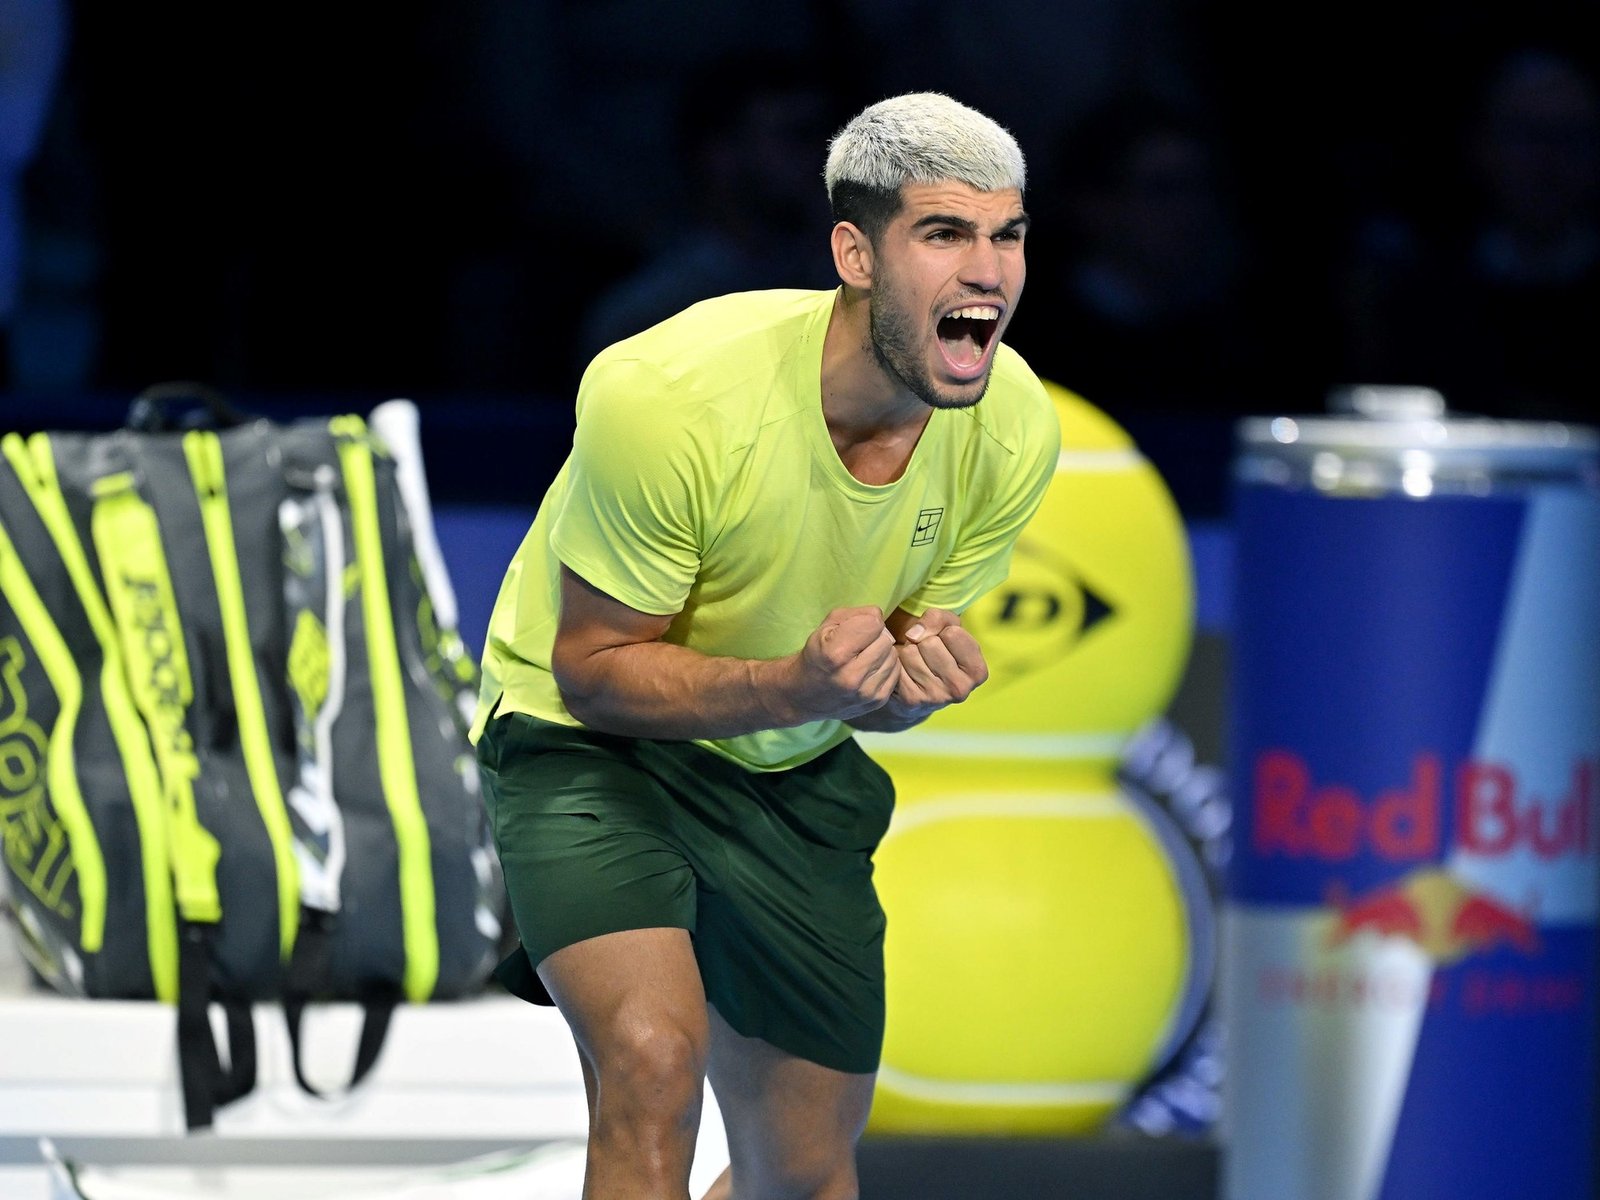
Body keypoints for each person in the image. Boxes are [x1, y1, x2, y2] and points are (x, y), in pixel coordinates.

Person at [471, 92, 1059, 1199]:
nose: (988, 270)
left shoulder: (1014, 425)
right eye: (943, 234)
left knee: (800, 1174)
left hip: (785, 775)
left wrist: (903, 693)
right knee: (651, 1063)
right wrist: (798, 684)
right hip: (585, 751)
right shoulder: (671, 395)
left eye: (1008, 235)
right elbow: (592, 670)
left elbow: (879, 670)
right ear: (855, 252)